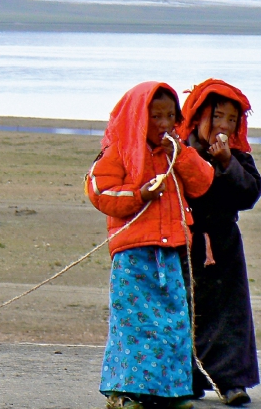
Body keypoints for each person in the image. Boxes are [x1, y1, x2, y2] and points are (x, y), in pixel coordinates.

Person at [86, 82, 215, 409]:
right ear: (138, 117)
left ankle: (171, 391)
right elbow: (99, 190)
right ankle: (125, 393)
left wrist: (182, 154)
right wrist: (138, 195)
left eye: (169, 116)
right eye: (155, 116)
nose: (163, 123)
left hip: (170, 254)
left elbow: (203, 182)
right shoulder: (119, 151)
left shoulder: (176, 152)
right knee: (134, 324)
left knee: (174, 322)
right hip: (132, 256)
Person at [178, 79, 261, 406]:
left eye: (231, 119)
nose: (223, 126)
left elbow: (249, 194)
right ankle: (190, 379)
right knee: (187, 311)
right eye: (216, 117)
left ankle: (231, 383)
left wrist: (227, 163)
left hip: (225, 247)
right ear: (198, 116)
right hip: (187, 244)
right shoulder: (181, 152)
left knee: (230, 314)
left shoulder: (238, 157)